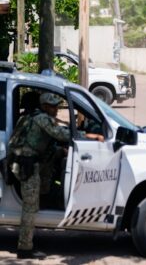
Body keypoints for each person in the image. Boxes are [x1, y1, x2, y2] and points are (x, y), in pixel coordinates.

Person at [8, 92, 104, 260]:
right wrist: (92, 136)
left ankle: (45, 201)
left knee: (39, 194)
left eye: (57, 106)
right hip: (27, 165)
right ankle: (24, 248)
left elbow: (40, 142)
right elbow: (63, 135)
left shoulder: (28, 117)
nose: (56, 109)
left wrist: (60, 151)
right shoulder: (42, 119)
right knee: (30, 208)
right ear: (44, 106)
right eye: (53, 106)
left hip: (23, 162)